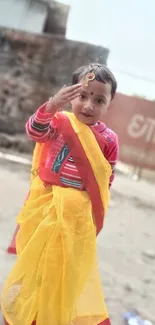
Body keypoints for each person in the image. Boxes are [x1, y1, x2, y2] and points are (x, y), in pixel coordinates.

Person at [1, 63, 119, 325]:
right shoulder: (58, 122)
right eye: (83, 96)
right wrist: (51, 106)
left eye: (99, 100)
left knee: (63, 269)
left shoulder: (109, 139)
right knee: (37, 262)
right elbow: (34, 131)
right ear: (71, 95)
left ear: (109, 103)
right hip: (46, 207)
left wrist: (91, 212)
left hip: (76, 217)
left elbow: (105, 180)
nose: (89, 105)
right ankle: (28, 314)